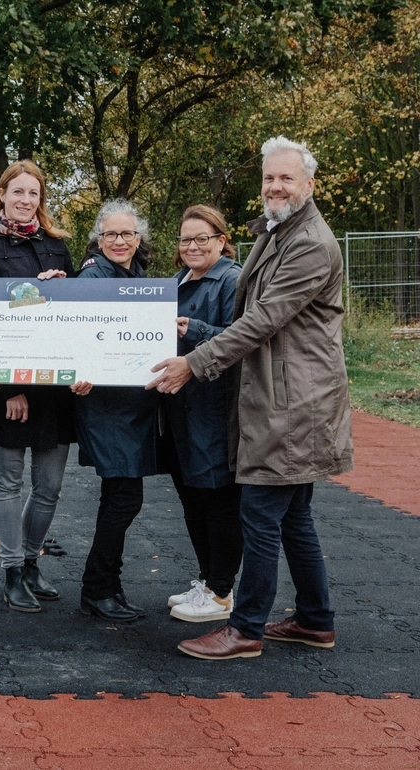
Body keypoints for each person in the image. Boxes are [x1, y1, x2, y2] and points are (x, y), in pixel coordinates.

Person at [151, 136, 353, 660]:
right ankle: (315, 620)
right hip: (280, 396)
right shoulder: (277, 230)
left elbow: (262, 320)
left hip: (293, 403)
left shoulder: (310, 242)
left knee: (260, 514)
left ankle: (245, 630)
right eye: (269, 178)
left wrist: (194, 362)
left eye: (286, 177)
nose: (275, 186)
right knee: (293, 517)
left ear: (309, 183)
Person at [0, 160, 78, 612]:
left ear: (40, 199)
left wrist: (64, 289)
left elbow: (72, 315)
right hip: (10, 387)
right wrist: (11, 387)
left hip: (55, 387)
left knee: (49, 486)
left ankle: (31, 561)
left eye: (34, 193)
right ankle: (11, 571)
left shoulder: (58, 247)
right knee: (8, 482)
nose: (26, 200)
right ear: (3, 195)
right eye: (18, 192)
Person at [72, 199, 160, 623]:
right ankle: (97, 588)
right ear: (99, 239)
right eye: (111, 234)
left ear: (138, 237)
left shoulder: (136, 275)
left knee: (120, 498)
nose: (120, 240)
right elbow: (77, 337)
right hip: (107, 407)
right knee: (124, 498)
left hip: (133, 406)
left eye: (127, 233)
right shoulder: (92, 276)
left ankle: (109, 585)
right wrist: (77, 370)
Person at [161, 205, 243, 623]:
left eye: (201, 239)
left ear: (221, 240)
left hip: (214, 408)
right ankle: (208, 582)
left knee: (218, 499)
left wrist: (193, 329)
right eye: (185, 239)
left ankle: (224, 591)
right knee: (192, 499)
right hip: (179, 409)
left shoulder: (232, 279)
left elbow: (241, 339)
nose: (192, 246)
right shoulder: (176, 281)